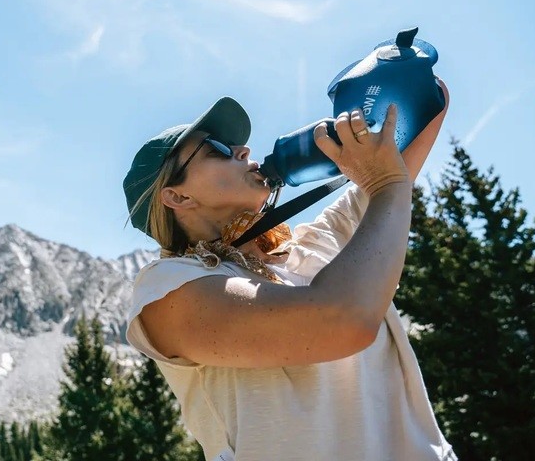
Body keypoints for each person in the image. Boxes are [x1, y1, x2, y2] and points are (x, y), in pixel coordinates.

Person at [122, 84, 455, 461]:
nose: (243, 150)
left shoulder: (316, 244)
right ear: (178, 197)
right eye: (217, 149)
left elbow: (423, 109)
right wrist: (387, 184)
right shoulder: (167, 287)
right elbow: (341, 321)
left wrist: (382, 82)